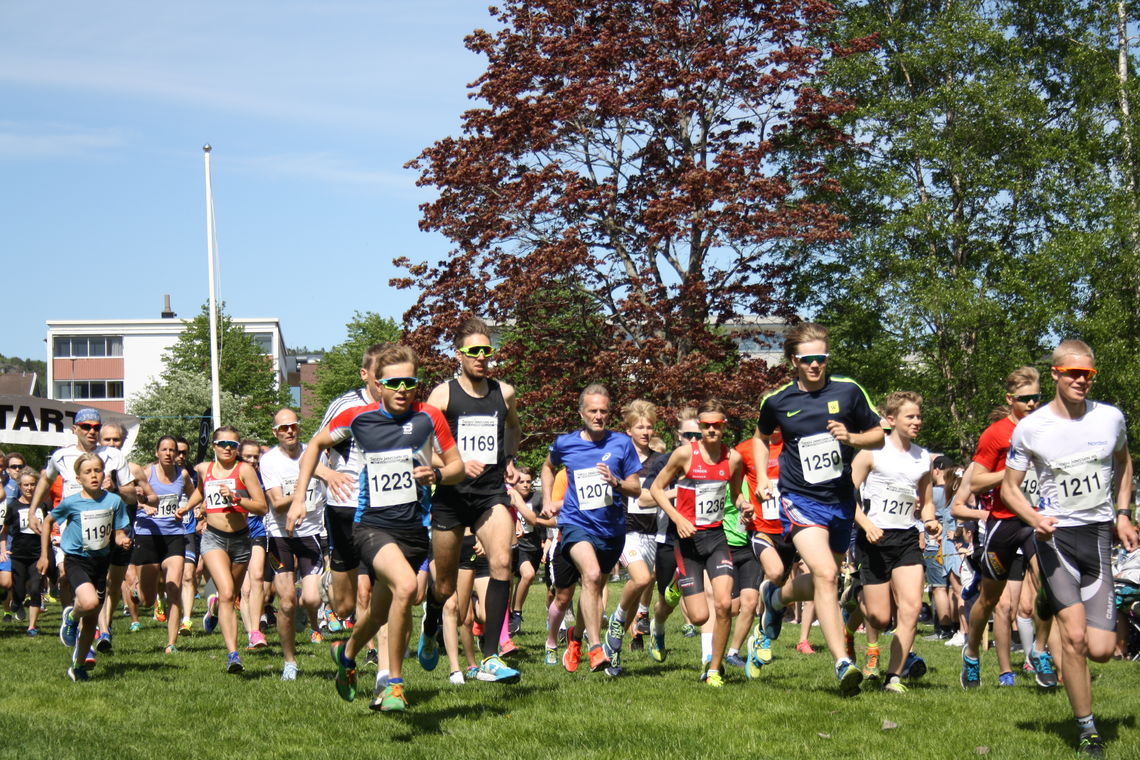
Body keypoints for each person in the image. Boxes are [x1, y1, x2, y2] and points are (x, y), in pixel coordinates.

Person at [289, 343, 465, 712]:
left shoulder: (430, 416)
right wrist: (299, 496)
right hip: (371, 526)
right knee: (404, 586)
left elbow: (457, 466)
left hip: (415, 529)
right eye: (394, 382)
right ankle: (394, 685)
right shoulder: (358, 418)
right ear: (379, 385)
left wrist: (437, 473)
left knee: (383, 611)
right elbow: (315, 445)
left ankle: (348, 655)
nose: (402, 389)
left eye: (409, 382)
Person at [1001, 341, 1137, 758]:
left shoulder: (1110, 418)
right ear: (1056, 374)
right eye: (1073, 373)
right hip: (1056, 539)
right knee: (1074, 639)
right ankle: (1087, 728)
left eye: (1088, 374)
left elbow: (1124, 463)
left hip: (1097, 539)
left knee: (1100, 650)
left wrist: (1123, 513)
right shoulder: (1031, 428)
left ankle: (1046, 601)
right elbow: (1009, 487)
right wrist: (1033, 517)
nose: (1081, 380)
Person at [751, 322, 884, 696]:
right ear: (794, 360)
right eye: (808, 359)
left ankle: (775, 598)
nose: (815, 365)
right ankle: (843, 663)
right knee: (825, 573)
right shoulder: (778, 400)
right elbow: (760, 439)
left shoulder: (848, 391)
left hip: (840, 499)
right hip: (799, 497)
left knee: (829, 579)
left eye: (821, 359)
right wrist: (763, 478)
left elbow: (879, 435)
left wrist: (851, 437)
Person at [422, 318, 523, 683]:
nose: (481, 357)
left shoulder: (504, 393)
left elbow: (513, 426)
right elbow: (422, 451)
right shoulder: (442, 396)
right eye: (473, 351)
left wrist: (510, 458)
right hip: (451, 496)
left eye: (486, 351)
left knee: (501, 561)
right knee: (446, 587)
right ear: (459, 355)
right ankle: (432, 620)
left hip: (490, 494)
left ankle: (491, 654)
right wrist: (456, 464)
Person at [961, 367, 1057, 689]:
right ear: (1009, 399)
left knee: (1049, 585)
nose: (1032, 404)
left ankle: (1040, 651)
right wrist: (1010, 474)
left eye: (1036, 398)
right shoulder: (996, 434)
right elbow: (974, 481)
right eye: (1024, 399)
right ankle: (972, 652)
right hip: (1003, 523)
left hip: (1036, 520)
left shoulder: (1048, 429)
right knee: (989, 601)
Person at [542, 383, 642, 676]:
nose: (599, 416)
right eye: (593, 411)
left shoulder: (622, 444)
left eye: (604, 411)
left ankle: (575, 637)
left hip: (611, 530)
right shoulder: (565, 443)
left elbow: (635, 488)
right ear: (582, 413)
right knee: (592, 575)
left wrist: (616, 482)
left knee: (595, 587)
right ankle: (596, 648)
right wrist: (548, 499)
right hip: (576, 524)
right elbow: (548, 468)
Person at [850, 391, 940, 693]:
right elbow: (844, 497)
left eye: (919, 416)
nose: (917, 421)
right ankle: (857, 596)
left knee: (912, 607)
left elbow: (927, 502)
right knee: (880, 616)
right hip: (873, 538)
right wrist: (866, 524)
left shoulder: (923, 458)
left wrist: (930, 520)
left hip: (905, 539)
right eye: (910, 417)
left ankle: (894, 677)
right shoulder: (871, 453)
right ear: (891, 420)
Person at [28, 408, 137, 657]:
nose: (92, 431)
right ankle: (76, 629)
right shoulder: (62, 456)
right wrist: (34, 510)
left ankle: (100, 630)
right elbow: (46, 479)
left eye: (96, 427)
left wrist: (117, 489)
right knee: (67, 578)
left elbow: (132, 496)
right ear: (75, 429)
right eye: (86, 427)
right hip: (73, 532)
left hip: (108, 531)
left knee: (110, 584)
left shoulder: (112, 456)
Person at [650, 400, 744, 686]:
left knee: (724, 604)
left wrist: (745, 506)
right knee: (701, 616)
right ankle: (676, 586)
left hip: (716, 537)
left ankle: (713, 670)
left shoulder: (734, 458)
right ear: (700, 426)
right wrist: (677, 518)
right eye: (706, 425)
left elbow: (737, 495)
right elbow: (656, 488)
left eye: (717, 425)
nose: (711, 430)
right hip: (687, 540)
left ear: (724, 427)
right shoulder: (684, 455)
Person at [181, 425, 268, 673]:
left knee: (231, 596)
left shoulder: (245, 470)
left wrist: (237, 499)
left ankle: (215, 611)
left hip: (241, 540)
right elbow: (200, 491)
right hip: (213, 538)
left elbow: (261, 507)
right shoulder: (205, 469)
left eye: (233, 445)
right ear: (214, 446)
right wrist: (187, 508)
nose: (228, 448)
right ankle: (233, 654)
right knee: (228, 592)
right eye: (223, 444)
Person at [37, 454, 130, 680]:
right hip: (76, 559)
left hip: (101, 561)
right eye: (88, 472)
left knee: (91, 619)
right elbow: (49, 521)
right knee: (89, 603)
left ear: (104, 474)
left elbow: (118, 532)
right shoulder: (71, 502)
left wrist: (122, 540)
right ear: (78, 478)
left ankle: (77, 666)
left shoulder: (114, 501)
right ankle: (70, 618)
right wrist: (44, 556)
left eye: (97, 470)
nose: (94, 475)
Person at [261, 408, 329, 680]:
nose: (289, 431)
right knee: (287, 603)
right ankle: (290, 661)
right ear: (275, 432)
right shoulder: (269, 461)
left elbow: (330, 482)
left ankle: (305, 613)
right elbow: (276, 503)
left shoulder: (314, 454)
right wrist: (301, 490)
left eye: (294, 426)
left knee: (311, 598)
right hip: (280, 537)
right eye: (283, 428)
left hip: (311, 534)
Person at [602, 400, 669, 672]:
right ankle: (616, 622)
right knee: (640, 578)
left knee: (643, 585)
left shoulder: (661, 461)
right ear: (628, 430)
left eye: (649, 427)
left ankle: (613, 649)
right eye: (640, 427)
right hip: (625, 530)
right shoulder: (618, 458)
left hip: (653, 533)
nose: (645, 432)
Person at [131, 436, 195, 653]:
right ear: (156, 452)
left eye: (172, 450)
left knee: (173, 587)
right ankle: (138, 588)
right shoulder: (146, 472)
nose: (168, 453)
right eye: (164, 450)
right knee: (147, 600)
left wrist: (187, 509)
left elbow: (195, 494)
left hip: (174, 535)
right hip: (147, 534)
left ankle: (171, 643)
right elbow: (129, 497)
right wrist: (142, 504)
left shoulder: (182, 474)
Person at [2, 466, 48, 634]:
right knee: (19, 591)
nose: (29, 488)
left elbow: (48, 528)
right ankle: (16, 602)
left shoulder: (43, 506)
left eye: (33, 484)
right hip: (18, 555)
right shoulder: (13, 507)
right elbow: (4, 531)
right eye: (26, 485)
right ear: (19, 486)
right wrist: (3, 550)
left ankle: (32, 626)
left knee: (36, 589)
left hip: (37, 555)